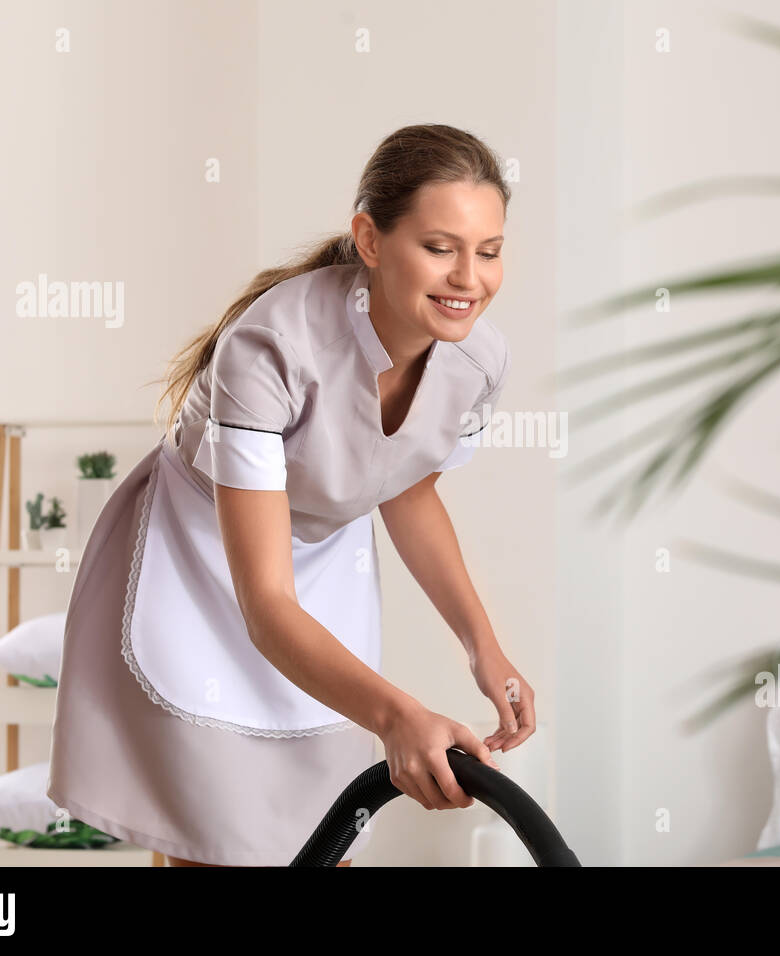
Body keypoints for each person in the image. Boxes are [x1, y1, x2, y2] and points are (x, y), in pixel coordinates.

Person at [46, 124, 536, 867]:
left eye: (490, 251)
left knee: (318, 837)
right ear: (370, 240)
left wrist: (483, 647)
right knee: (215, 843)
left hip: (321, 564)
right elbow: (266, 605)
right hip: (203, 561)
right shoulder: (270, 348)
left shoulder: (479, 359)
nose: (469, 277)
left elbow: (408, 494)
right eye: (440, 247)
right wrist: (398, 716)